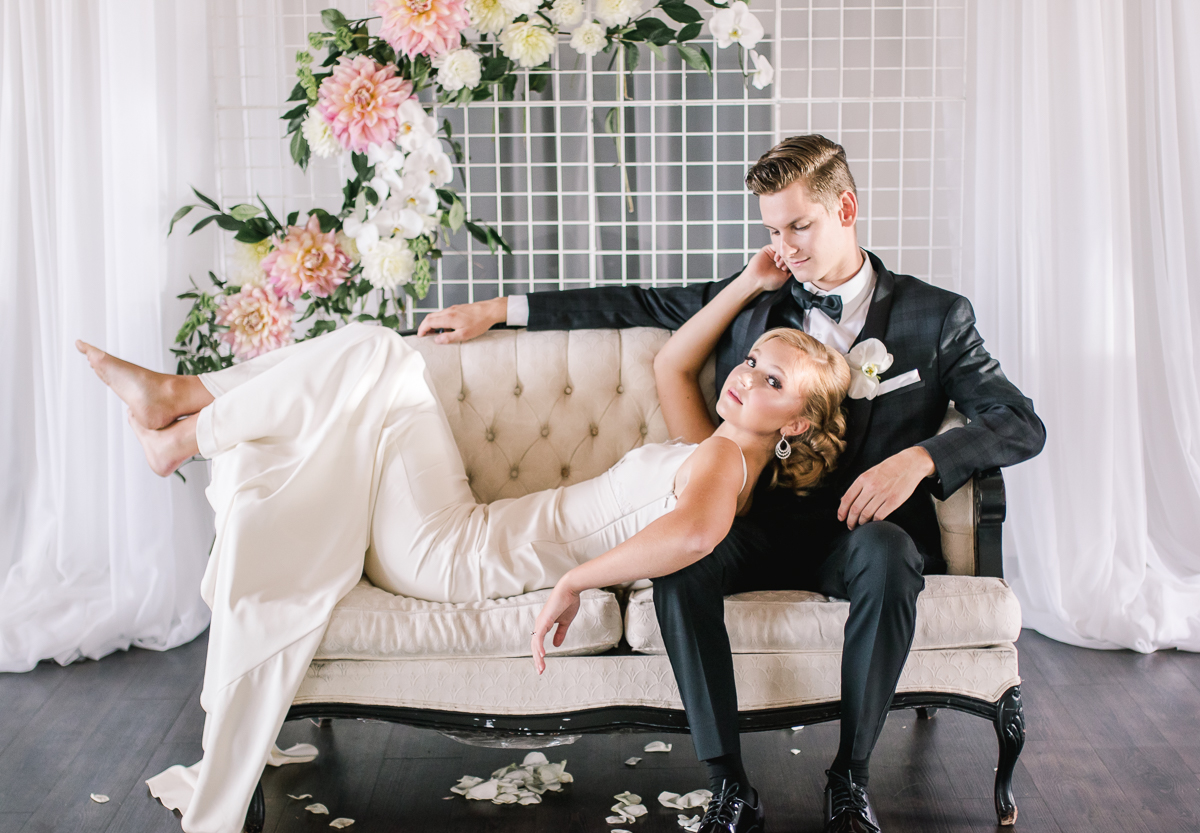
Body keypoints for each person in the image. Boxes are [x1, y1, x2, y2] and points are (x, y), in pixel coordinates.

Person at [75, 245, 849, 833]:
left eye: (773, 383)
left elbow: (694, 532)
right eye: (752, 361)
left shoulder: (718, 465)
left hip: (451, 557)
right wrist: (751, 282)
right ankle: (185, 416)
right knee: (381, 355)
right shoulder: (717, 443)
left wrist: (580, 580)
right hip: (462, 529)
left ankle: (184, 419)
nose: (745, 377)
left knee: (377, 354)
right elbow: (677, 358)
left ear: (800, 422)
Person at [419, 134, 1047, 833]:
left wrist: (921, 459)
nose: (787, 247)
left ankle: (851, 776)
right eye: (774, 230)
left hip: (861, 534)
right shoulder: (760, 302)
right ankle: (729, 781)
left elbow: (1019, 421)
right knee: (683, 569)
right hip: (752, 523)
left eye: (799, 226)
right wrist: (500, 309)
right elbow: (639, 300)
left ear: (846, 207)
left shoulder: (938, 316)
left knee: (892, 555)